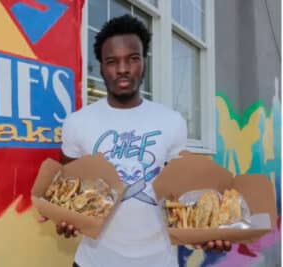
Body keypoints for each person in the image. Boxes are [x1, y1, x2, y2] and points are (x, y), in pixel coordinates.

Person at [54, 14, 231, 267]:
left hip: (159, 261)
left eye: (133, 59)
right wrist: (65, 219)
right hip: (93, 261)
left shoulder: (172, 122)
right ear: (101, 67)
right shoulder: (77, 123)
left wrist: (207, 230)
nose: (123, 69)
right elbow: (66, 190)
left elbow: (181, 195)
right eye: (112, 61)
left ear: (144, 62)